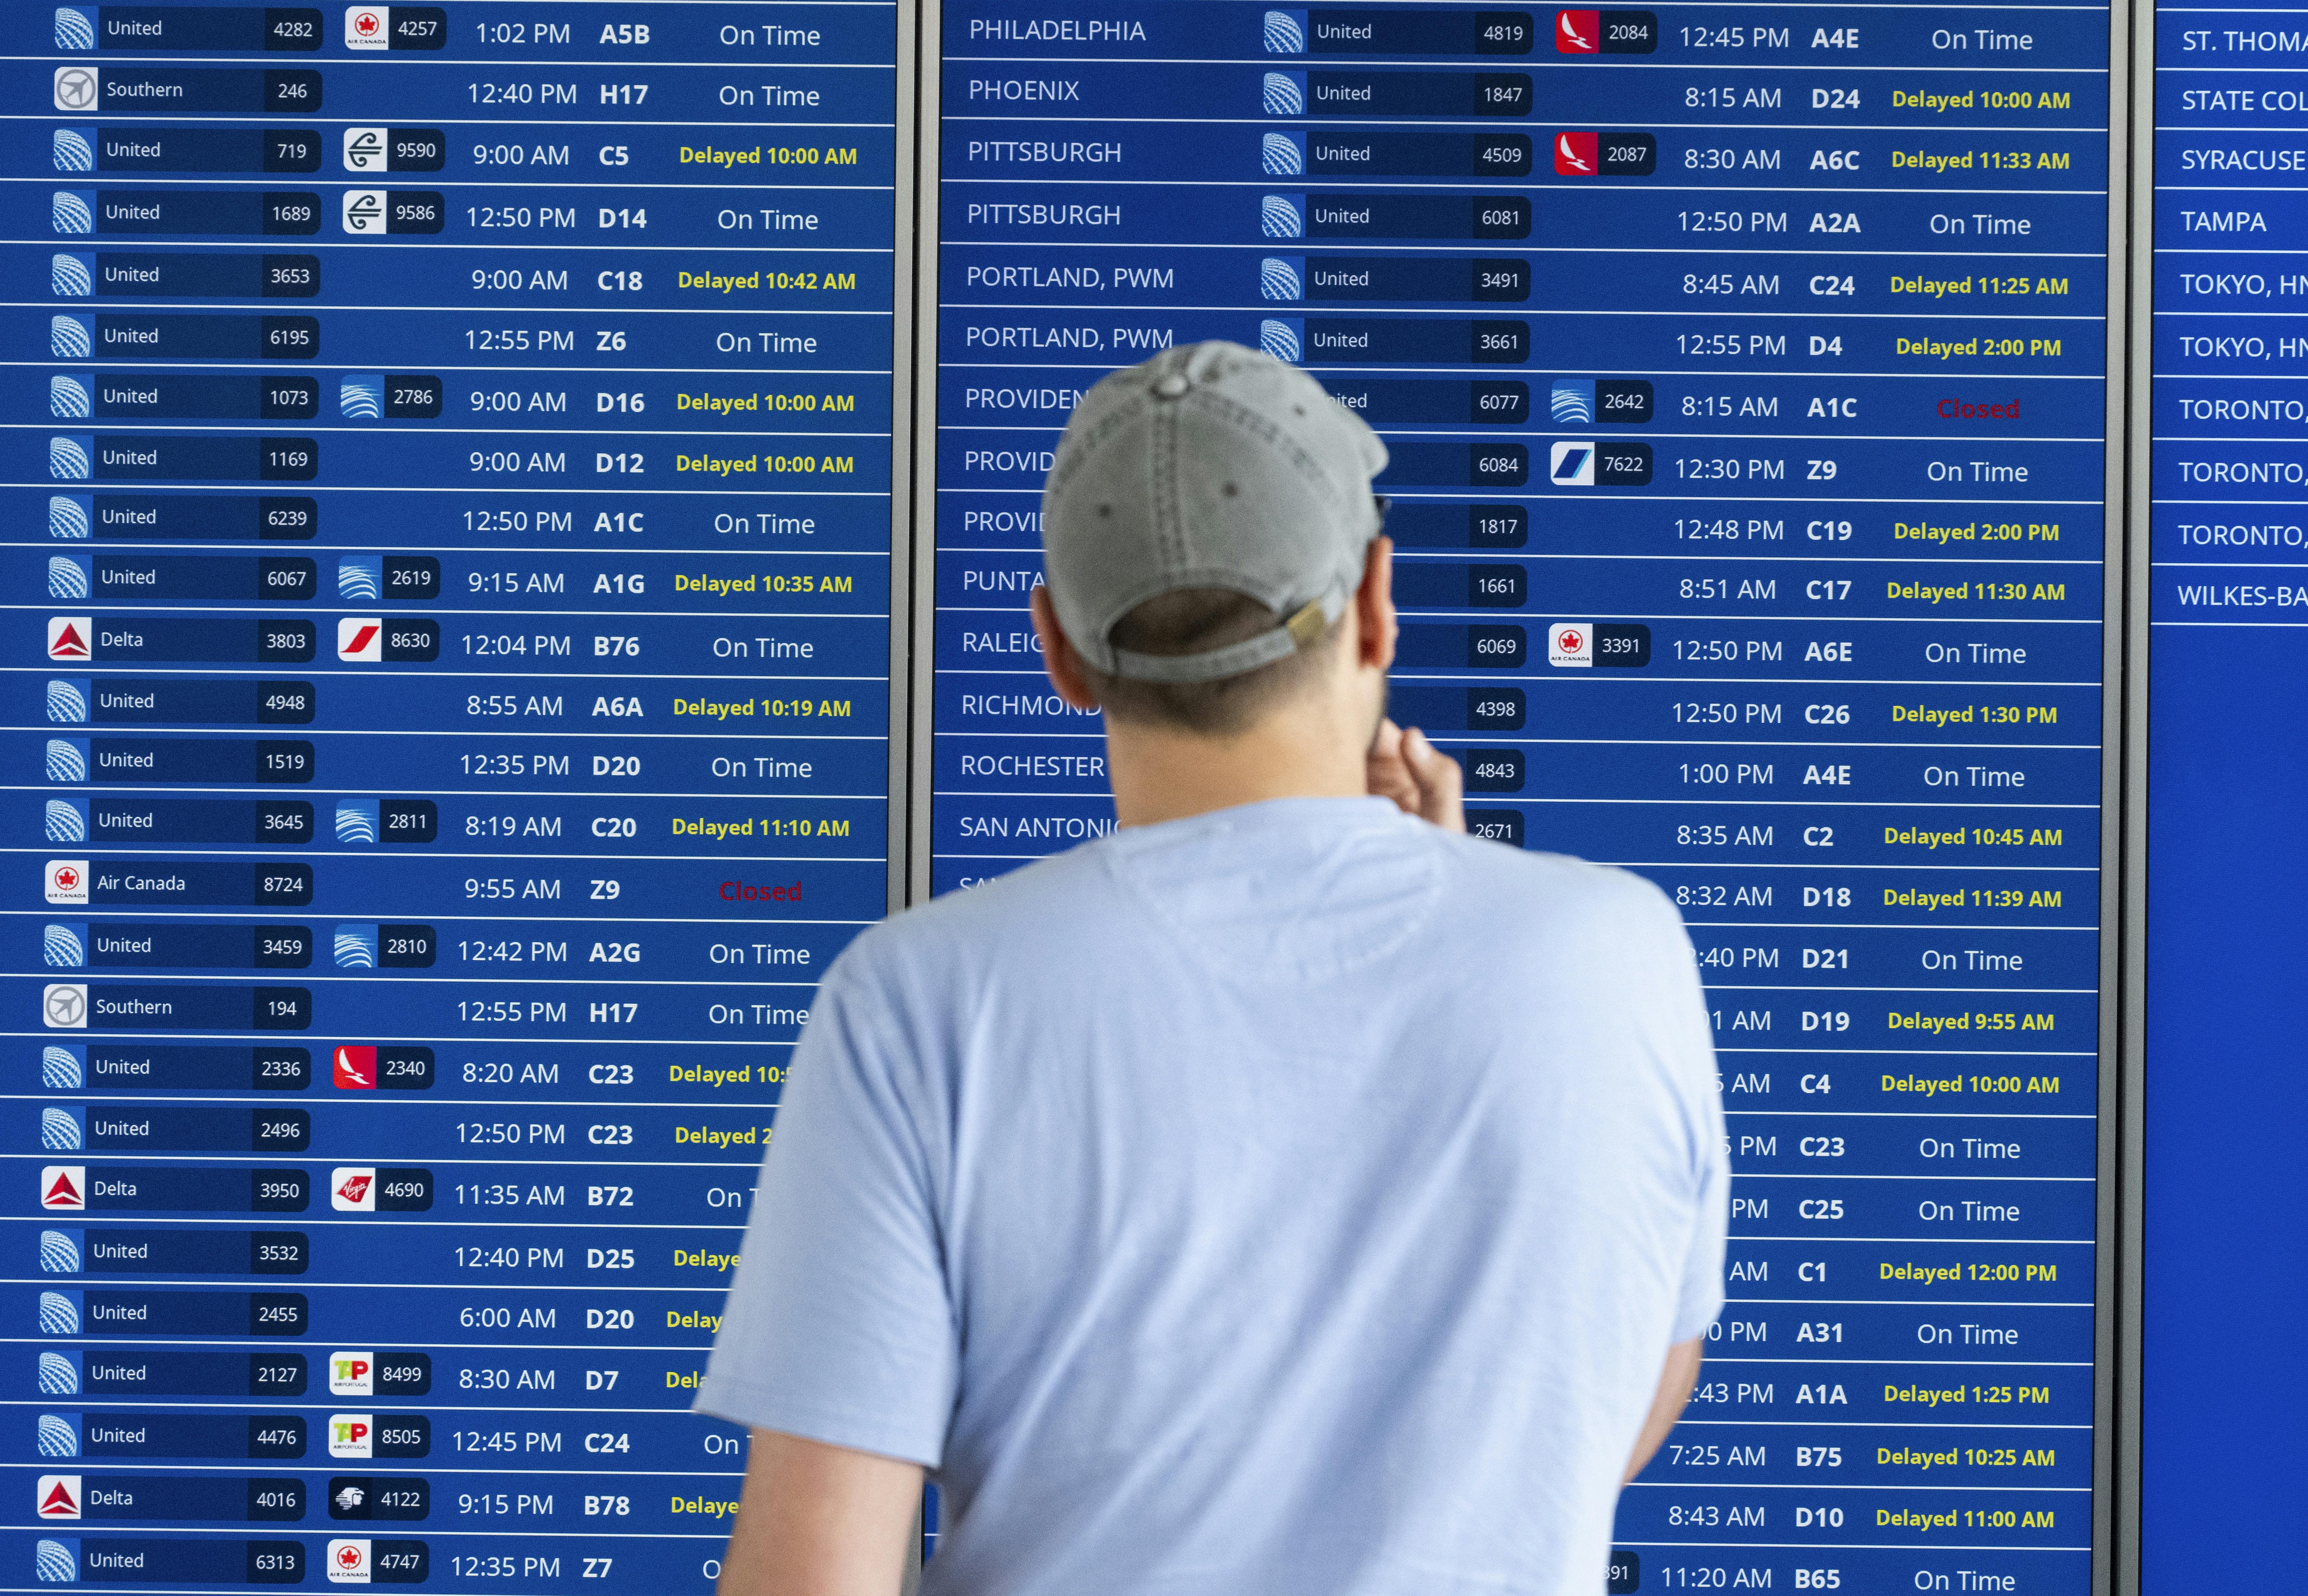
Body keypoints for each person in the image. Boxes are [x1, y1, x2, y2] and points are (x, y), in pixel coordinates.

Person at [696, 341, 1728, 1595]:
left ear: (1059, 653)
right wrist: (1484, 949)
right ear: (1376, 602)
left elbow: (816, 1578)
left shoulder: (919, 1002)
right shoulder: (1615, 953)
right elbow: (1584, 1432)